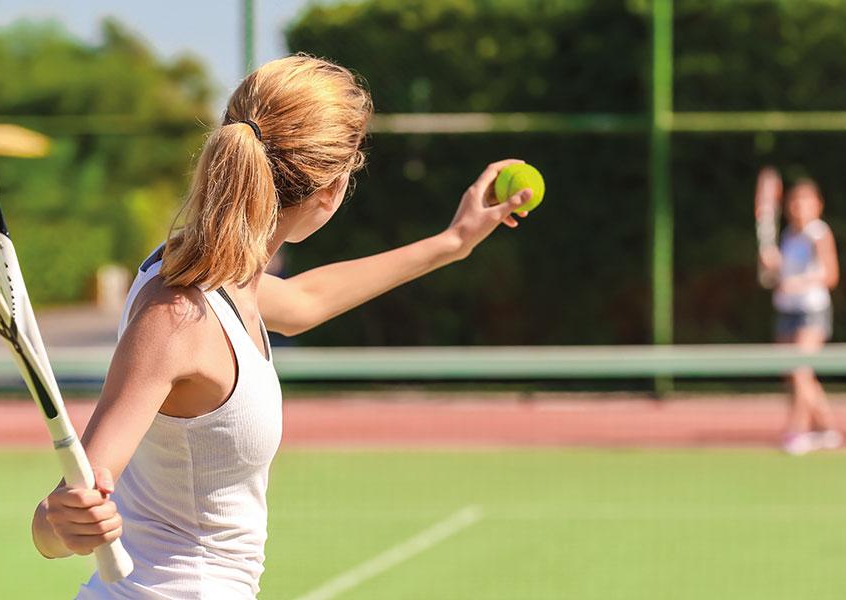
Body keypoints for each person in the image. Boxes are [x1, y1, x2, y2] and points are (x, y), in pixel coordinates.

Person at [30, 55, 534, 598]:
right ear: (331, 191)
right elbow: (54, 525)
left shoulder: (211, 274)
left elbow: (303, 300)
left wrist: (453, 243)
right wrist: (64, 522)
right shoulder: (177, 314)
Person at [758, 178, 841, 455]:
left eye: (806, 202)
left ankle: (798, 431)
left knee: (800, 370)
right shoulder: (787, 236)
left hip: (812, 311)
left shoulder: (819, 233)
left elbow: (830, 275)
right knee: (792, 374)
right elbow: (775, 277)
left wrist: (799, 282)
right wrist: (772, 265)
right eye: (794, 202)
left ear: (818, 205)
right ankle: (828, 428)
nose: (799, 208)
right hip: (786, 310)